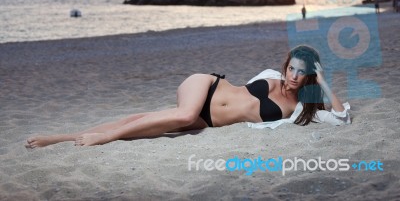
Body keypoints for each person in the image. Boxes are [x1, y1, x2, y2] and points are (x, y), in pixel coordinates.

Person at [25, 45, 350, 148]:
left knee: (144, 123)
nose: (293, 76)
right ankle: (105, 136)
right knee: (178, 117)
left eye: (301, 72)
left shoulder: (298, 110)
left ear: (308, 75)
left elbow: (340, 117)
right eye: (291, 68)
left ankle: (62, 137)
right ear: (286, 66)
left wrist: (322, 81)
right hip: (206, 85)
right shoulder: (270, 76)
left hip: (206, 118)